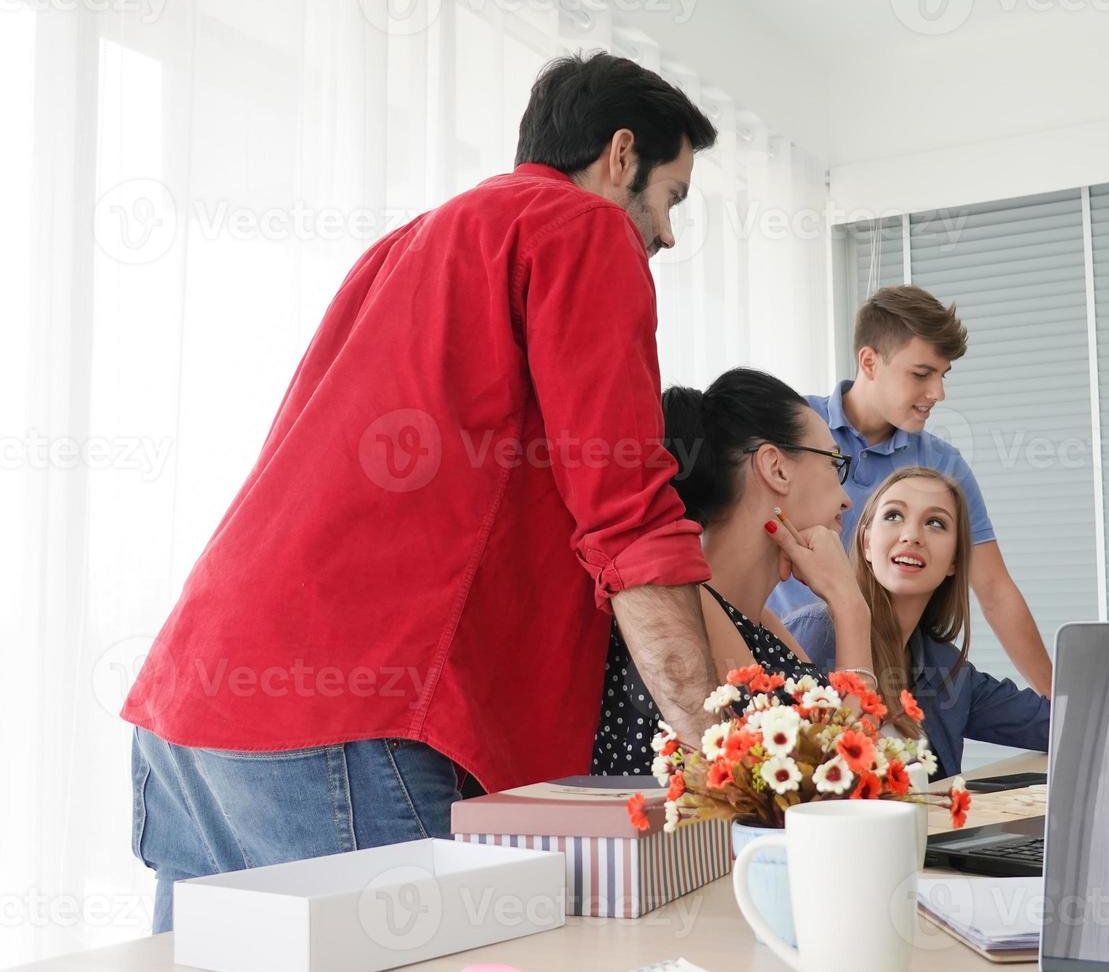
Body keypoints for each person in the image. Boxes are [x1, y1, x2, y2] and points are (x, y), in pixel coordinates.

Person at [122, 52, 725, 930]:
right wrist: (721, 761)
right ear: (621, 156)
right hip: (353, 711)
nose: (667, 236)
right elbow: (628, 513)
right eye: (673, 199)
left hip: (193, 703)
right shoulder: (578, 227)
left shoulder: (408, 243)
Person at [768, 285, 1054, 696]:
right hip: (778, 672)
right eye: (921, 374)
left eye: (942, 376)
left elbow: (995, 591)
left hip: (886, 678)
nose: (938, 393)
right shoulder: (792, 426)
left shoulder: (943, 466)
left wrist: (1061, 703)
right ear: (870, 361)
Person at [592, 368, 875, 774]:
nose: (847, 500)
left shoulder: (762, 622)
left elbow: (852, 769)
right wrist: (850, 607)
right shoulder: (686, 607)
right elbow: (832, 782)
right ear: (776, 467)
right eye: (835, 462)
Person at [786, 468, 1048, 780]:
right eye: (894, 515)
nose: (911, 535)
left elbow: (1054, 725)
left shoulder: (947, 668)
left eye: (935, 523)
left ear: (954, 561)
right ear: (867, 542)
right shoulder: (816, 634)